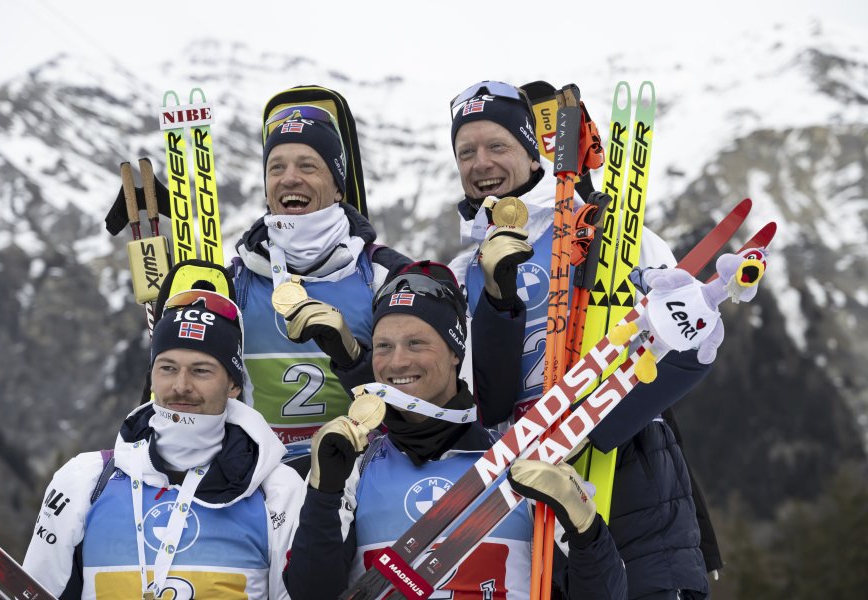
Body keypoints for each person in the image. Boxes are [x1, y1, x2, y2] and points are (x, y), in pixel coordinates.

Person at [446, 81, 718, 599]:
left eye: (497, 146)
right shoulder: (463, 273)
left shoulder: (612, 233)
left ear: (531, 152)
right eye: (467, 152)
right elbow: (485, 398)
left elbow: (677, 345)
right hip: (524, 471)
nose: (481, 163)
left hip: (629, 465)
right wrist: (497, 297)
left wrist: (597, 424)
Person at [284, 266, 627, 599]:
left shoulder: (520, 461)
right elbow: (311, 591)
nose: (397, 362)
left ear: (454, 352)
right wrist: (323, 493)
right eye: (384, 347)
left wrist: (585, 528)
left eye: (416, 343)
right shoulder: (354, 469)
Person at [23, 290, 303, 599]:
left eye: (201, 370)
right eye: (167, 368)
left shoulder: (276, 490)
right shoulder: (86, 480)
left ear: (233, 384)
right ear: (152, 379)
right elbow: (37, 590)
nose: (181, 386)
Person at [232, 99, 411, 470]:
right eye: (276, 167)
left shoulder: (384, 276)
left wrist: (352, 359)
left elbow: (417, 401)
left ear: (338, 187)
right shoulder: (235, 281)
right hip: (261, 483)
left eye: (308, 166)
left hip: (362, 478)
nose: (289, 178)